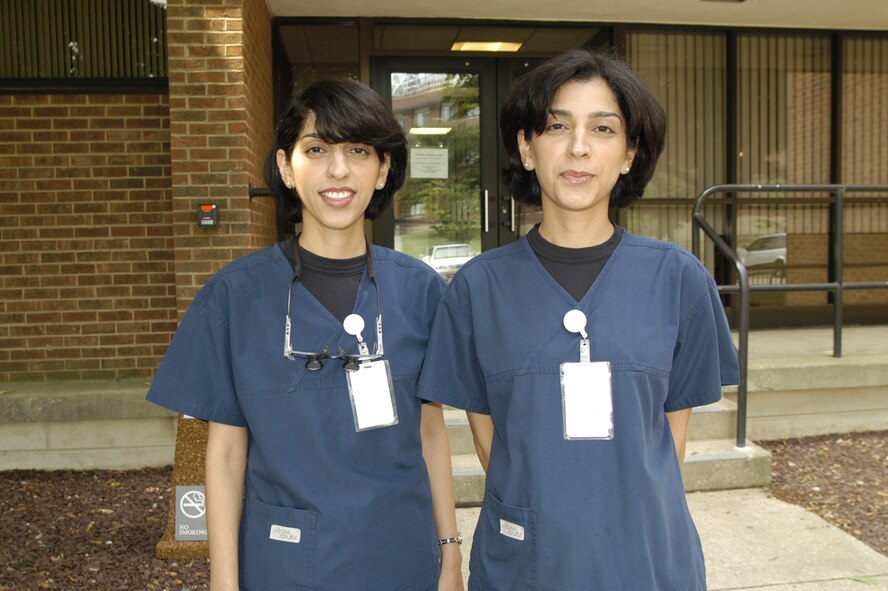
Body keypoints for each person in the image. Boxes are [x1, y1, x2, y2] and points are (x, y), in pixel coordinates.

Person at [417, 49, 739, 590]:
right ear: (526, 147)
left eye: (604, 128)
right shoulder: (478, 289)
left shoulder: (679, 282)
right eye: (555, 126)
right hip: (527, 563)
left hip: (647, 561)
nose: (579, 147)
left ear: (630, 152)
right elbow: (491, 444)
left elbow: (668, 444)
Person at [147, 78, 464, 591]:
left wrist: (450, 555)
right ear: (285, 168)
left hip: (402, 558)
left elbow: (431, 434)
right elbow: (225, 455)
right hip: (287, 565)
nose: (337, 170)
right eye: (316, 149)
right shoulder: (236, 297)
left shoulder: (421, 292)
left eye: (358, 151)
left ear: (382, 170)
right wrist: (223, 584)